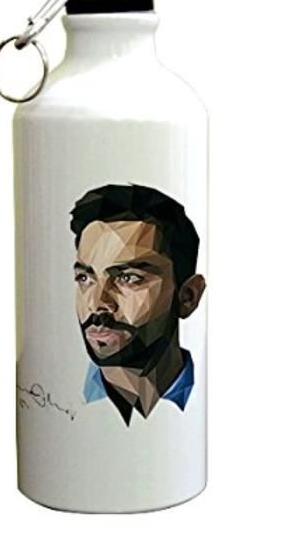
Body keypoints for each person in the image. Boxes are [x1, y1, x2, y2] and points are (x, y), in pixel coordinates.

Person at [70, 183, 206, 426]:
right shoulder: (59, 405)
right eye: (85, 278)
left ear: (188, 297)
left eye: (128, 278)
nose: (97, 303)